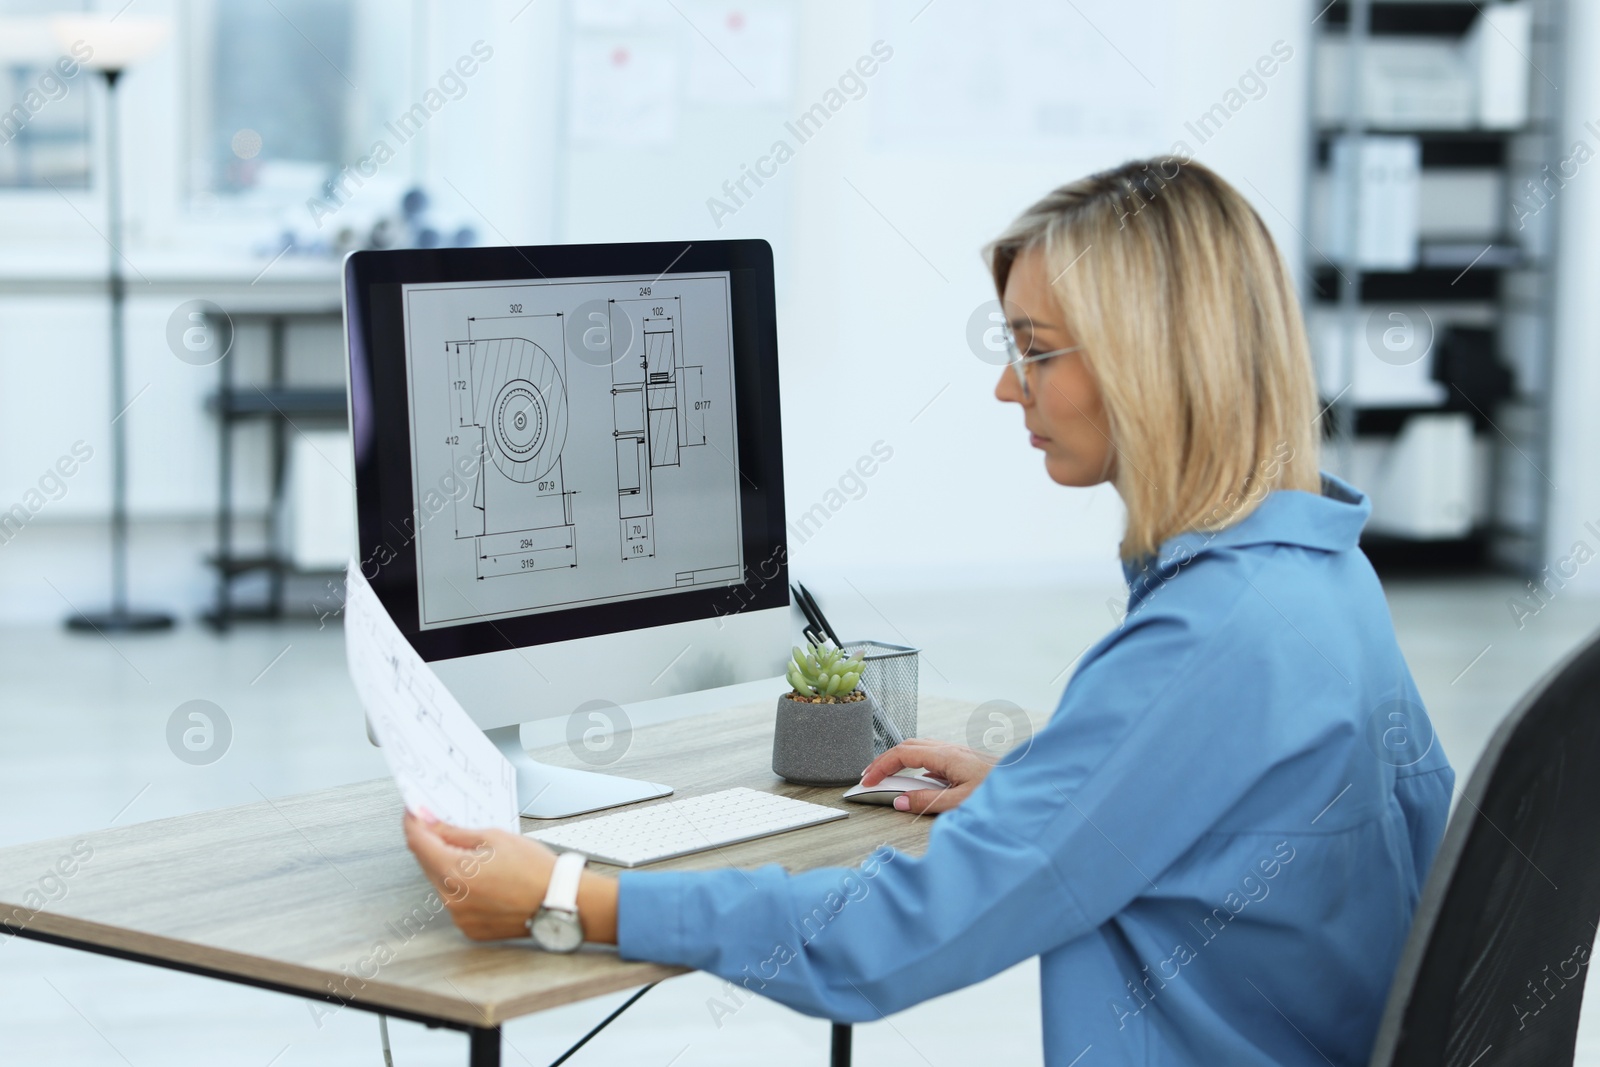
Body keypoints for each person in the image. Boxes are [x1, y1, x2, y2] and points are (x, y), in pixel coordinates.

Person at [405, 157, 1454, 1066]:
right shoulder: (1319, 574)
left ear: (1154, 360)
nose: (1010, 389)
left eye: (1037, 350)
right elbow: (1317, 821)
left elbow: (890, 938)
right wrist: (1060, 788)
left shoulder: (1206, 639)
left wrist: (572, 895)